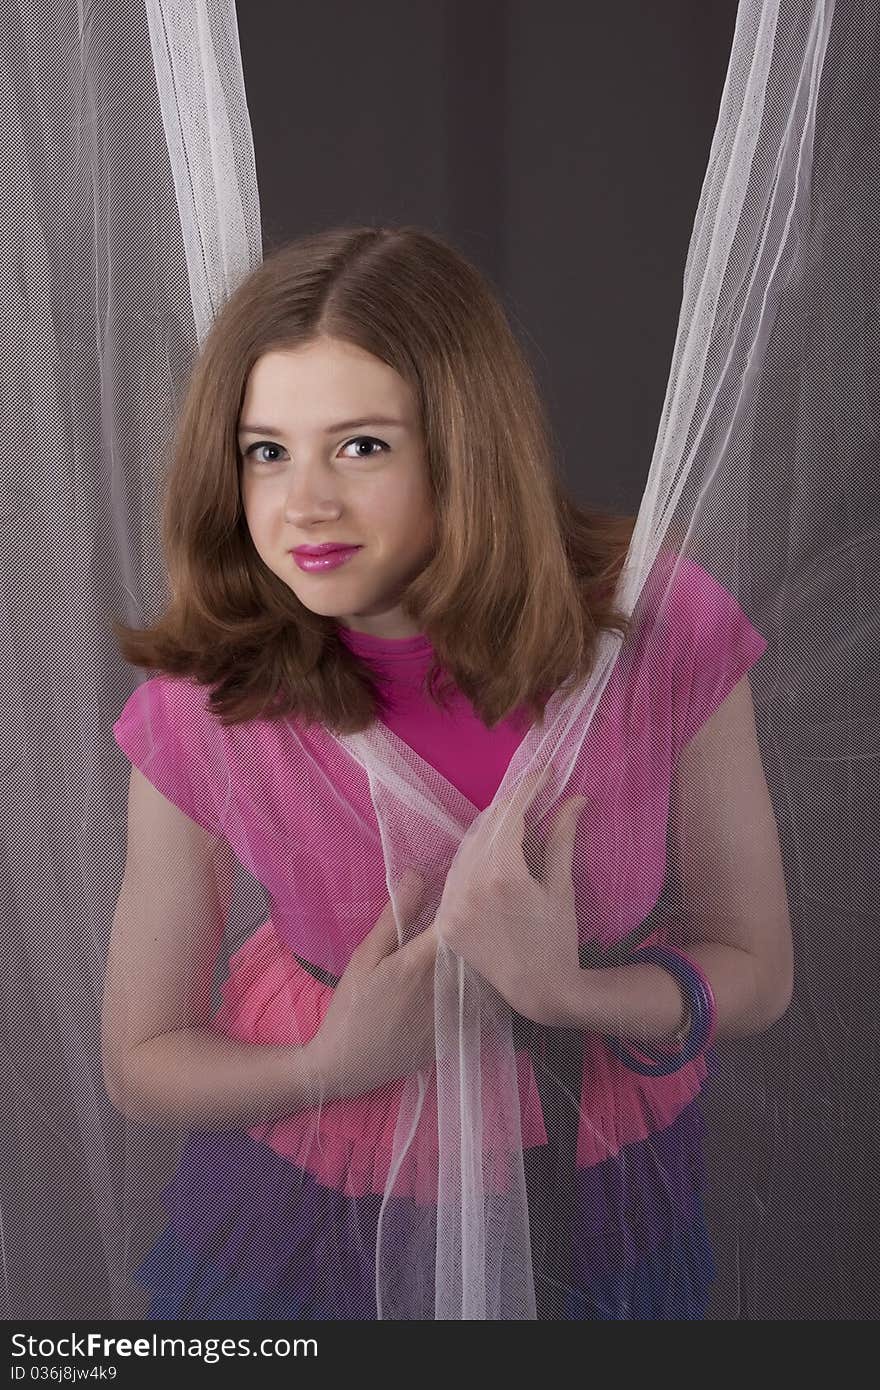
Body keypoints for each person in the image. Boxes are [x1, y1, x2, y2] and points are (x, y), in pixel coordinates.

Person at [104, 225, 793, 1319]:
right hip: (317, 1192)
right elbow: (140, 1058)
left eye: (362, 447)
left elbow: (757, 965)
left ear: (464, 445)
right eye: (265, 451)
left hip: (595, 1166)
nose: (304, 505)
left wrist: (570, 994)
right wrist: (329, 1063)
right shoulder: (207, 702)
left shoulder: (659, 626)